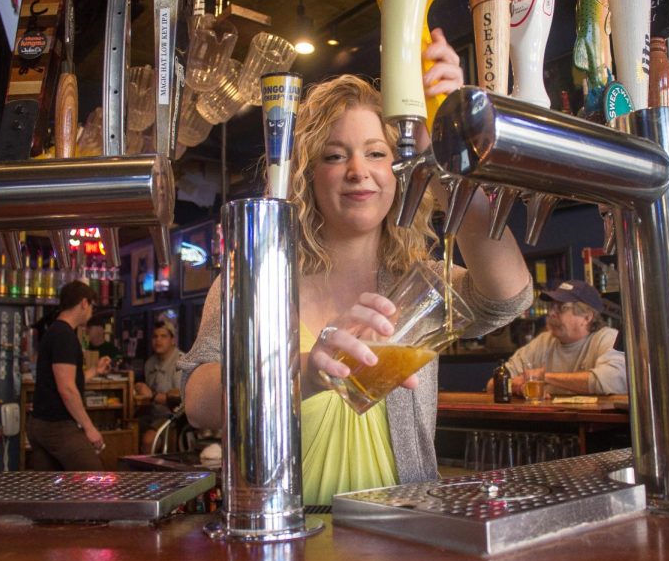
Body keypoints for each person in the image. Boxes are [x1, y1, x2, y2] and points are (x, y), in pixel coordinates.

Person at [181, 28, 533, 505]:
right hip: (280, 527)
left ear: (399, 170)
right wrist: (306, 371)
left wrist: (446, 154)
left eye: (376, 153)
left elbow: (508, 297)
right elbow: (199, 402)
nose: (357, 170)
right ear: (307, 175)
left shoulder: (418, 284)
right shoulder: (257, 278)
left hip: (401, 527)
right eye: (334, 155)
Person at [488, 280, 627, 396]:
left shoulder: (607, 338)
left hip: (597, 426)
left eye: (561, 308)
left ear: (586, 317)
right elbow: (493, 385)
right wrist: (516, 387)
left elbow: (613, 381)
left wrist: (544, 377)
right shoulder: (543, 342)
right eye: (552, 307)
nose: (552, 313)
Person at [27, 280, 112, 470]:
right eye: (92, 306)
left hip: (39, 424)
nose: (91, 312)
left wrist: (94, 371)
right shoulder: (64, 335)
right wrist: (89, 428)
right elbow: (66, 389)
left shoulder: (54, 331)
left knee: (52, 490)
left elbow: (64, 380)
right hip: (57, 426)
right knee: (95, 478)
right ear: (84, 302)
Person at [135, 320, 183, 452]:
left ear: (173, 340)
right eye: (155, 336)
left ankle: (151, 472)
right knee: (127, 430)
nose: (158, 340)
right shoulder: (150, 363)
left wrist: (152, 395)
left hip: (174, 417)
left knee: (148, 440)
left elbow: (179, 398)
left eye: (163, 336)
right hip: (152, 414)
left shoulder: (181, 362)